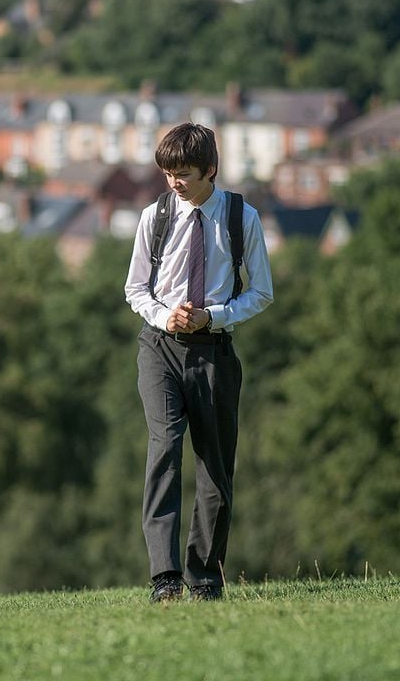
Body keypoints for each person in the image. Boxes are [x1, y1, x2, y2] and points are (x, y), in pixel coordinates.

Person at [123, 123, 273, 602]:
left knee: (215, 468)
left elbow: (262, 292)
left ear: (210, 169)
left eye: (183, 173)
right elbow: (135, 289)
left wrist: (214, 314)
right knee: (164, 448)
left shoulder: (240, 217)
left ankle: (205, 579)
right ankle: (164, 579)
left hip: (215, 352)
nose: (174, 182)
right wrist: (168, 317)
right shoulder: (155, 216)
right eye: (167, 173)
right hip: (159, 348)